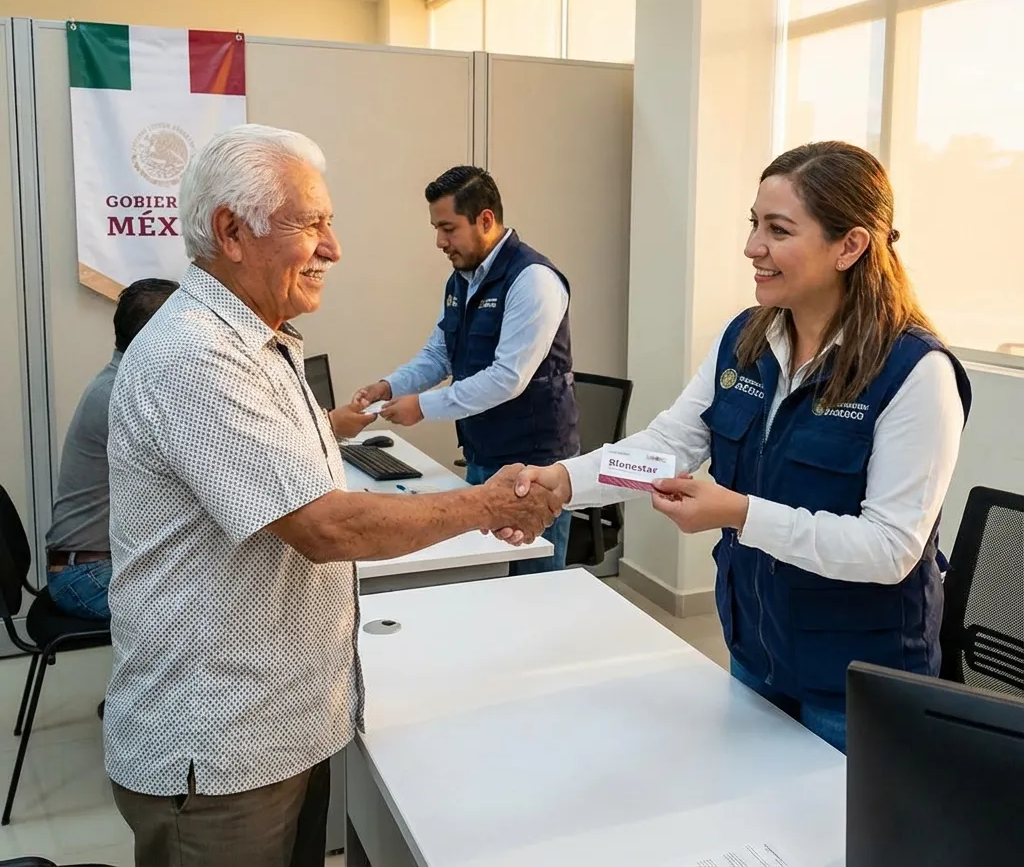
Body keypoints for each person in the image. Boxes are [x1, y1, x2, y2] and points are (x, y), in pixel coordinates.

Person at [104, 125, 561, 867]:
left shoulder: (259, 339)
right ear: (232, 231)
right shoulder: (195, 354)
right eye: (312, 224)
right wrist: (486, 504)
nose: (334, 248)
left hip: (283, 727)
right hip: (223, 749)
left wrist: (332, 423)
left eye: (330, 223)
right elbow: (325, 526)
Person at [515, 141, 971, 753]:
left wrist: (739, 513)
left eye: (778, 229)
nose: (753, 246)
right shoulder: (746, 340)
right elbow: (669, 446)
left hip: (858, 683)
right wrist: (566, 482)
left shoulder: (915, 372)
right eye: (754, 224)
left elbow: (890, 549)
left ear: (850, 246)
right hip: (757, 652)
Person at [354, 166, 579, 573]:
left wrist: (422, 406)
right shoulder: (463, 279)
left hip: (533, 464)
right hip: (482, 454)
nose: (440, 242)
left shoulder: (533, 280)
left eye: (448, 228)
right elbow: (439, 355)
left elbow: (506, 379)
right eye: (436, 229)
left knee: (531, 588)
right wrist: (389, 386)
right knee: (485, 578)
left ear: (486, 220)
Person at [44, 277, 178, 621]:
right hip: (88, 577)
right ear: (158, 338)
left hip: (99, 564)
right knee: (219, 614)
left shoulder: (124, 381)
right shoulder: (124, 395)